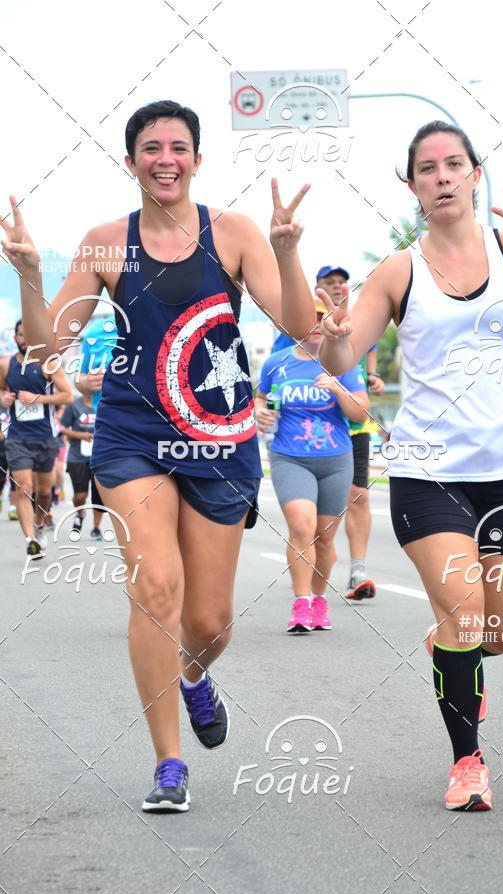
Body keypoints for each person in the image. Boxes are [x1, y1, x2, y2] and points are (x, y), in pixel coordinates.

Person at [1, 99, 314, 813]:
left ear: (197, 160)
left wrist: (288, 253)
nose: (165, 158)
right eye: (151, 147)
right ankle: (168, 764)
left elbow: (300, 327)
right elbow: (53, 349)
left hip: (220, 440)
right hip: (133, 436)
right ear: (131, 160)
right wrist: (26, 272)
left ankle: (195, 677)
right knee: (155, 588)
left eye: (178, 147)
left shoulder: (232, 234)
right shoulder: (107, 241)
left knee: (209, 622)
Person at [317, 120, 503, 812]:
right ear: (412, 186)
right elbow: (342, 357)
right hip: (427, 472)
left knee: (502, 636)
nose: (442, 176)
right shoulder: (398, 270)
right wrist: (329, 337)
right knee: (468, 615)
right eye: (427, 168)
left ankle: (454, 642)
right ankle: (467, 761)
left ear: (475, 175)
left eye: (454, 164)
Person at [255, 297, 369, 632]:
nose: (317, 326)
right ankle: (300, 603)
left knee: (323, 537)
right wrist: (259, 411)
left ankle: (319, 602)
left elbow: (360, 413)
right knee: (302, 526)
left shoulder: (345, 363)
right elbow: (261, 398)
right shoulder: (277, 362)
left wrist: (336, 388)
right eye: (310, 319)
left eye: (323, 319)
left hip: (335, 458)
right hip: (290, 456)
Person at [0, 320, 72, 557]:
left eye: (28, 335)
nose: (24, 340)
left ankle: (39, 523)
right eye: (21, 335)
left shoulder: (48, 364)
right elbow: (1, 391)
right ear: (16, 337)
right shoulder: (5, 365)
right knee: (24, 488)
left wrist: (37, 399)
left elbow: (67, 396)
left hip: (45, 438)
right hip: (17, 438)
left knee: (44, 492)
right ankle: (31, 539)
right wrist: (4, 399)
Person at [60, 393, 105, 538]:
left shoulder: (105, 402)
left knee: (99, 496)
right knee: (80, 496)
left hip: (101, 456)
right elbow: (61, 428)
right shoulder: (74, 405)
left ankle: (96, 528)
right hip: (77, 456)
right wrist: (81, 436)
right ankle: (80, 512)